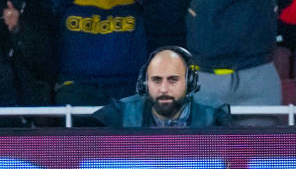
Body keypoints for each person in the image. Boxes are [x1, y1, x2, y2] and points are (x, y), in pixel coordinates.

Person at [94, 46, 235, 127]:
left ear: (190, 82)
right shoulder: (120, 113)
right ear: (144, 83)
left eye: (173, 80)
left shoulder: (213, 116)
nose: (163, 89)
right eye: (156, 80)